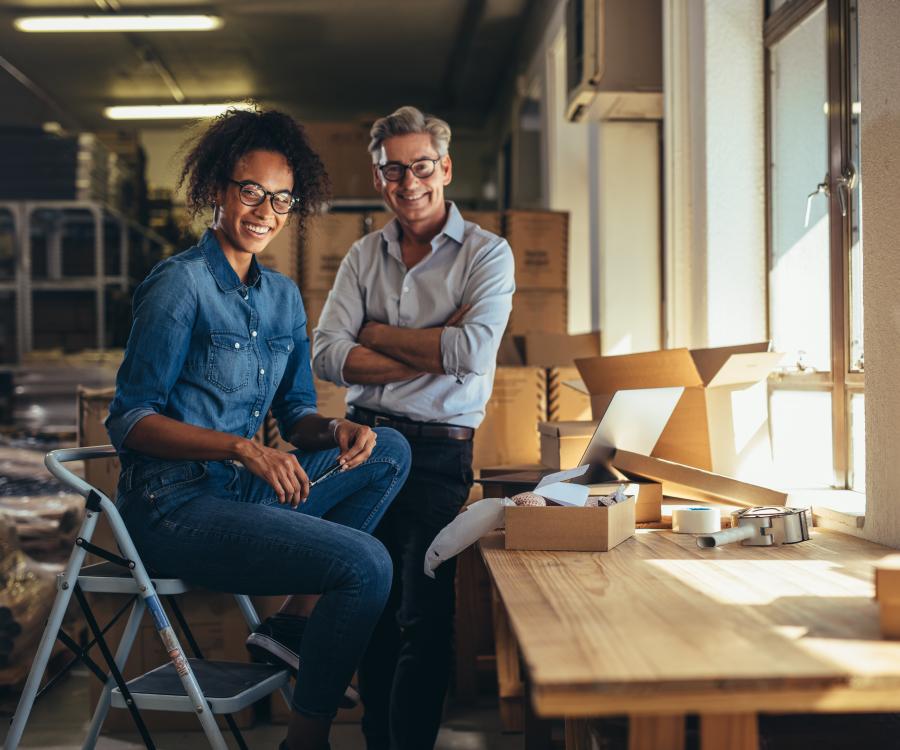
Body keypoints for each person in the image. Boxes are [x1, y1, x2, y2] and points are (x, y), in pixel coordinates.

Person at [105, 107, 411, 750]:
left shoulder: (280, 297)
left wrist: (336, 432)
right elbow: (129, 420)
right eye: (251, 191)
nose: (266, 211)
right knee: (366, 565)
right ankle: (307, 736)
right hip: (172, 504)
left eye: (281, 198)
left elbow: (296, 418)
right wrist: (240, 448)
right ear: (217, 188)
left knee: (388, 449)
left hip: (242, 496)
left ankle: (291, 626)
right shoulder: (179, 285)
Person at [312, 105, 515, 750]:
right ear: (378, 179)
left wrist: (374, 337)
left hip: (436, 454)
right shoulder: (362, 256)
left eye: (421, 167)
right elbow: (326, 355)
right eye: (392, 170)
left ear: (445, 168)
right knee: (366, 601)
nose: (409, 182)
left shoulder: (489, 255)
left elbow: (472, 354)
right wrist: (430, 343)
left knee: (421, 615)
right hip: (363, 443)